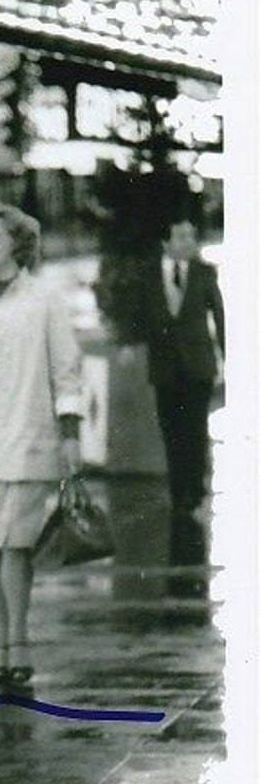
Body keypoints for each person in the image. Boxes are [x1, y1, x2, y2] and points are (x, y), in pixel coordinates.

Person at [0, 201, 83, 687]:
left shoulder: (44, 299)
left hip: (31, 435)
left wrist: (71, 435)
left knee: (15, 544)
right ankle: (1, 643)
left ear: (17, 244)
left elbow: (67, 371)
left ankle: (16, 642)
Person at [143, 217, 224, 561]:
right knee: (171, 430)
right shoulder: (150, 274)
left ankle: (195, 491)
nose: (188, 241)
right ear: (166, 242)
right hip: (165, 370)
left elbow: (219, 315)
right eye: (180, 236)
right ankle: (179, 493)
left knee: (195, 428)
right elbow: (141, 316)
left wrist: (227, 357)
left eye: (191, 235)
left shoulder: (205, 273)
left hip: (198, 366)